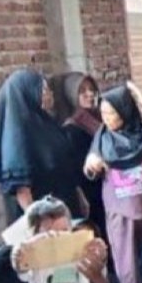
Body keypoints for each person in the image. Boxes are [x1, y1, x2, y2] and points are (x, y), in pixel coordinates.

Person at [83, 82, 142, 283]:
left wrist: (141, 97)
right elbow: (89, 165)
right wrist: (92, 165)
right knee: (128, 272)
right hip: (121, 214)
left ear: (125, 111)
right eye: (103, 113)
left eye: (111, 113)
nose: (106, 119)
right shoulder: (103, 139)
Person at [0, 68, 83, 221]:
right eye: (43, 90)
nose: (49, 94)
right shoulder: (16, 140)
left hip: (66, 206)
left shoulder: (45, 123)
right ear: (28, 93)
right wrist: (40, 223)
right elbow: (22, 190)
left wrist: (79, 195)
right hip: (46, 218)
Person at [52, 71, 107, 250]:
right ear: (71, 95)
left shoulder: (101, 117)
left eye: (92, 89)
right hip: (92, 191)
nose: (90, 94)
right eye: (82, 91)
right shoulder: (72, 129)